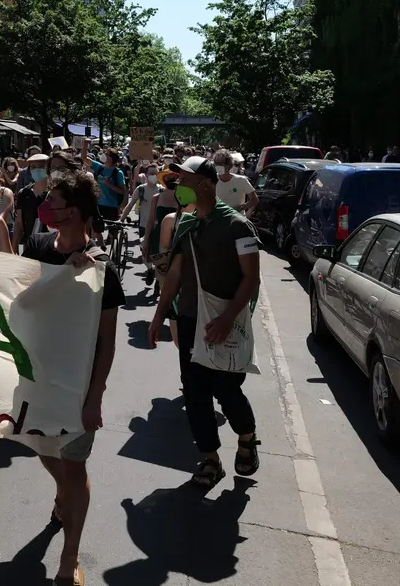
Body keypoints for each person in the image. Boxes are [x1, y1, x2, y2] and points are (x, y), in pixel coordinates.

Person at [21, 171, 123, 586]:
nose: (45, 208)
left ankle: (70, 557)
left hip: (77, 386)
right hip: (36, 377)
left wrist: (94, 397)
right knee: (43, 449)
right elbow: (20, 302)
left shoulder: (103, 270)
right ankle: (65, 494)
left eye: (54, 203)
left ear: (75, 212)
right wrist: (61, 275)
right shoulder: (37, 247)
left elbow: (107, 342)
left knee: (74, 464)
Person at [148, 156, 261, 488]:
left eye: (186, 179)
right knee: (195, 393)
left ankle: (247, 436)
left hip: (224, 323)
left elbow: (251, 278)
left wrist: (227, 319)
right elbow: (174, 275)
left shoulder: (237, 225)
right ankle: (211, 459)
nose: (179, 185)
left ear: (207, 183)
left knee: (226, 390)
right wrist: (159, 315)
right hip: (190, 319)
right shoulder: (186, 225)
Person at [86, 145, 127, 223]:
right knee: (97, 228)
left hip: (112, 206)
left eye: (107, 154)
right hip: (98, 205)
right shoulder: (100, 167)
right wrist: (85, 145)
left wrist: (109, 185)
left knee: (111, 229)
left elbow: (122, 191)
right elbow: (84, 158)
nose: (104, 155)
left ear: (111, 158)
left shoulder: (118, 173)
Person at [213, 149, 257, 213]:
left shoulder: (241, 180)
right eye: (216, 164)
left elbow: (254, 200)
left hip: (237, 218)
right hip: (219, 217)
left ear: (229, 165)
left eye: (221, 164)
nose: (218, 166)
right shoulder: (212, 179)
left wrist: (239, 208)